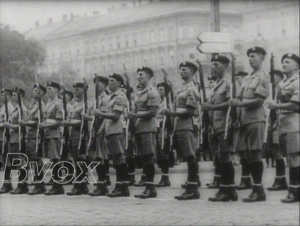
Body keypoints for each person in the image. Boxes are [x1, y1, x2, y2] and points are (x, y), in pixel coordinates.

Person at [229, 46, 269, 202]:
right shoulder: (247, 78)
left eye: (253, 56)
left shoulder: (263, 77)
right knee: (249, 155)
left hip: (256, 119)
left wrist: (238, 104)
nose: (250, 59)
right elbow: (238, 98)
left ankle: (258, 190)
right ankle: (256, 189)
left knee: (255, 154)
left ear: (262, 58)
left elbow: (259, 100)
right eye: (249, 57)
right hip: (245, 121)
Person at [202, 55, 238, 201]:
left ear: (225, 66)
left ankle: (228, 189)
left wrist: (211, 106)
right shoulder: (218, 83)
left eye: (216, 65)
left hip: (225, 125)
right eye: (212, 65)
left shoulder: (229, 83)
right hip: (216, 125)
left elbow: (231, 103)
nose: (213, 68)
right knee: (220, 158)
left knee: (225, 157)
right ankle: (227, 189)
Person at [163, 61, 200, 200]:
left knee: (191, 157)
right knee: (188, 156)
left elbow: (191, 110)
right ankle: (191, 185)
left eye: (185, 70)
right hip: (180, 125)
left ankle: (192, 188)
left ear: (192, 72)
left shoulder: (192, 88)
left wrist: (172, 114)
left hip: (187, 125)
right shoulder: (181, 88)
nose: (181, 72)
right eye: (180, 70)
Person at [267, 53, 299, 203]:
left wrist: (277, 105)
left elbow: (296, 105)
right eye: (283, 62)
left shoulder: (297, 81)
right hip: (283, 123)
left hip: (294, 123)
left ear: (296, 66)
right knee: (289, 158)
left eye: (287, 62)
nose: (284, 64)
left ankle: (295, 191)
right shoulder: (282, 84)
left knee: (294, 158)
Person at [94, 73, 130, 198]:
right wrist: (101, 130)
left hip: (116, 130)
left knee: (119, 159)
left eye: (112, 81)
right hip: (110, 130)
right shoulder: (111, 97)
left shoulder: (120, 96)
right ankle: (123, 186)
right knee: (116, 159)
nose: (109, 83)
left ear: (119, 83)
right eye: (109, 81)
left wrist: (99, 113)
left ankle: (121, 186)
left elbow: (115, 116)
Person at [127, 66, 160, 199]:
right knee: (144, 159)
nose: (138, 77)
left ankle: (150, 188)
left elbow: (152, 113)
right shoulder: (139, 94)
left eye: (141, 75)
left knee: (148, 158)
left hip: (148, 128)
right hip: (140, 128)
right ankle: (148, 187)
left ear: (148, 77)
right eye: (138, 75)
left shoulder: (152, 92)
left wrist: (135, 116)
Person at [83, 75, 110, 196]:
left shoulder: (105, 99)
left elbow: (103, 116)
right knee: (97, 158)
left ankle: (102, 184)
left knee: (101, 157)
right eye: (95, 84)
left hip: (101, 131)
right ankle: (101, 183)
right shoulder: (95, 100)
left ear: (104, 85)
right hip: (93, 131)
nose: (97, 86)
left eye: (99, 83)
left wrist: (90, 119)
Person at [19, 84, 47, 195]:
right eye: (34, 90)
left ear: (42, 94)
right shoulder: (32, 105)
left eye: (37, 91)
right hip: (29, 135)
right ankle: (29, 184)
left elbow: (37, 122)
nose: (35, 92)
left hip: (35, 135)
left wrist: (25, 123)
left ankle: (39, 184)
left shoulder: (41, 106)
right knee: (30, 159)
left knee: (36, 160)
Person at [62, 82, 89, 196]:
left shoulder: (86, 104)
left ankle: (79, 185)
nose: (75, 92)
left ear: (83, 90)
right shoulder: (75, 105)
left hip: (80, 135)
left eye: (78, 89)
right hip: (73, 134)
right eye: (74, 89)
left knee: (80, 159)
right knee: (75, 160)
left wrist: (69, 123)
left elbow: (84, 121)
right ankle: (82, 185)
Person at [41, 82, 64, 195]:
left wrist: (46, 125)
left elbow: (60, 121)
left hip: (54, 134)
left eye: (50, 89)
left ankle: (58, 185)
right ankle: (56, 184)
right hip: (48, 134)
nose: (48, 91)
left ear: (56, 90)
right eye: (47, 89)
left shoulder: (58, 103)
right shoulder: (49, 103)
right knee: (52, 159)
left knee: (55, 159)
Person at [3, 88, 28, 194]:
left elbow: (23, 125)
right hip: (12, 138)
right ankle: (11, 185)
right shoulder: (16, 109)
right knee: (13, 162)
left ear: (21, 96)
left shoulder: (23, 109)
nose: (13, 96)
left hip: (18, 138)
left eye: (15, 95)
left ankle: (22, 185)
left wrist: (10, 126)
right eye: (12, 94)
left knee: (20, 162)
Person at [266, 70, 288, 191]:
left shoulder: (283, 89)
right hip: (273, 124)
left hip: (282, 122)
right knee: (276, 151)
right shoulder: (271, 91)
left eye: (274, 78)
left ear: (280, 77)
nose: (272, 81)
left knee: (280, 152)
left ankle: (281, 179)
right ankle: (280, 178)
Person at [234, 71, 254, 190]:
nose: (238, 81)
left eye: (240, 79)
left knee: (250, 152)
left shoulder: (247, 92)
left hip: (248, 122)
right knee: (242, 151)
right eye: (237, 79)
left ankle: (250, 179)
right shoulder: (237, 92)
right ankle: (245, 178)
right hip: (240, 124)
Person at [155, 82, 171, 187]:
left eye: (161, 89)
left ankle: (165, 177)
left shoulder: (168, 102)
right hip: (156, 128)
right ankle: (164, 177)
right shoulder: (157, 102)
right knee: (159, 154)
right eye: (158, 89)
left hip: (163, 129)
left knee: (164, 152)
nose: (159, 91)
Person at [0, 88, 14, 193]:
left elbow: (7, 123)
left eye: (4, 95)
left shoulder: (9, 108)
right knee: (4, 159)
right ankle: (6, 183)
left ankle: (7, 183)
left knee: (7, 160)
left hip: (6, 135)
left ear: (8, 97)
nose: (2, 97)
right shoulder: (3, 107)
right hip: (2, 135)